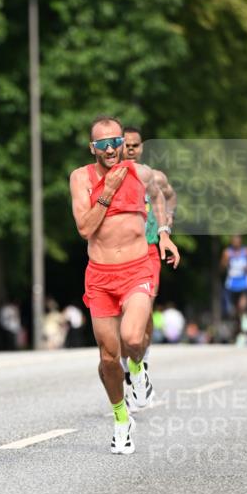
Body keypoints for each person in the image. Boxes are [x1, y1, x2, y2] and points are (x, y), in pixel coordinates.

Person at [70, 115, 180, 455]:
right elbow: (85, 228)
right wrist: (110, 191)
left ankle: (138, 369)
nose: (110, 149)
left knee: (133, 338)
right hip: (101, 276)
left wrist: (163, 233)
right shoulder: (81, 178)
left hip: (136, 269)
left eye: (115, 142)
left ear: (123, 142)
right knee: (106, 358)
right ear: (93, 148)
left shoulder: (142, 173)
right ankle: (121, 420)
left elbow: (161, 196)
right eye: (102, 144)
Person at [121, 126, 177, 395]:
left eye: (135, 145)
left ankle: (143, 361)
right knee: (122, 316)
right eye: (126, 144)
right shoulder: (112, 177)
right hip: (119, 254)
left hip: (149, 250)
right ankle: (128, 369)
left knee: (144, 310)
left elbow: (170, 197)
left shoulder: (153, 177)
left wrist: (167, 223)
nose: (131, 149)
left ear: (142, 147)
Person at [221, 236, 247, 319]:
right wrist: (225, 263)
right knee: (231, 310)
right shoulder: (227, 252)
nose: (236, 243)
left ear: (241, 241)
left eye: (237, 241)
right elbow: (222, 266)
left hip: (244, 282)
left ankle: (244, 323)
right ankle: (236, 320)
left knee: (242, 307)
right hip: (231, 283)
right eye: (234, 241)